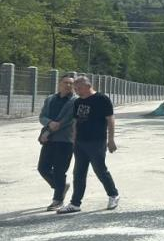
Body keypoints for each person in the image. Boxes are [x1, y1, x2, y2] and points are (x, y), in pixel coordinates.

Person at [57, 76, 120, 214]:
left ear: (88, 86)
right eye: (75, 89)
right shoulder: (78, 101)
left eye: (79, 88)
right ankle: (75, 203)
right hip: (80, 142)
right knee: (78, 173)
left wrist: (111, 139)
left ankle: (113, 195)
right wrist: (74, 140)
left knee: (100, 170)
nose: (76, 91)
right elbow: (75, 122)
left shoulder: (102, 99)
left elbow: (110, 119)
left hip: (97, 141)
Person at [38, 75, 77, 211]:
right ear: (59, 84)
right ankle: (61, 187)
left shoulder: (75, 101)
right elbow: (42, 116)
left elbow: (67, 120)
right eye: (66, 82)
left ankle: (58, 200)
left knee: (60, 170)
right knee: (43, 168)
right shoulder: (50, 99)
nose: (68, 85)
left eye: (71, 83)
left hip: (65, 140)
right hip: (49, 139)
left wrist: (49, 130)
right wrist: (49, 123)